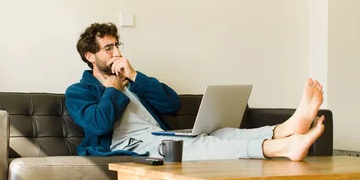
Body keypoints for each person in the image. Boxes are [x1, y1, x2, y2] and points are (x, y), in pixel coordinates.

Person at [65, 22, 325, 161]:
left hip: (157, 135)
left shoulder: (131, 81)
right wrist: (112, 90)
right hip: (127, 145)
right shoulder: (78, 91)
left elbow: (171, 104)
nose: (117, 53)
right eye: (108, 48)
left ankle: (286, 128)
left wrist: (133, 76)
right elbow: (98, 125)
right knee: (202, 145)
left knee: (221, 132)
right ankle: (281, 148)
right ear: (90, 56)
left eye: (117, 45)